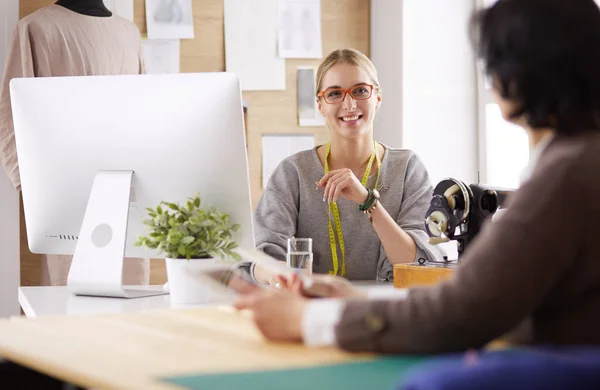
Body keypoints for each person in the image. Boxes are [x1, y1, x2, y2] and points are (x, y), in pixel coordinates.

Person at [236, 0, 600, 353]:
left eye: (493, 63)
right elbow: (499, 306)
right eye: (335, 94)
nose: (490, 78)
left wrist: (312, 319)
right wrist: (356, 301)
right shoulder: (579, 161)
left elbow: (459, 311)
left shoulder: (564, 178)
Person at [252, 48, 444, 283]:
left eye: (361, 90)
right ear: (320, 105)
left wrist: (368, 201)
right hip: (314, 310)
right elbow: (260, 257)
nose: (350, 104)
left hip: (386, 311)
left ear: (378, 98)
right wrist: (284, 275)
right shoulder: (293, 172)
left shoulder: (407, 169)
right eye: (334, 94)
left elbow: (414, 262)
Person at [0, 0, 148, 285]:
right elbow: (10, 111)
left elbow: (143, 108)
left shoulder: (128, 33)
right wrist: (30, 185)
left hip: (128, 190)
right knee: (71, 293)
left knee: (129, 293)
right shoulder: (36, 28)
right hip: (67, 190)